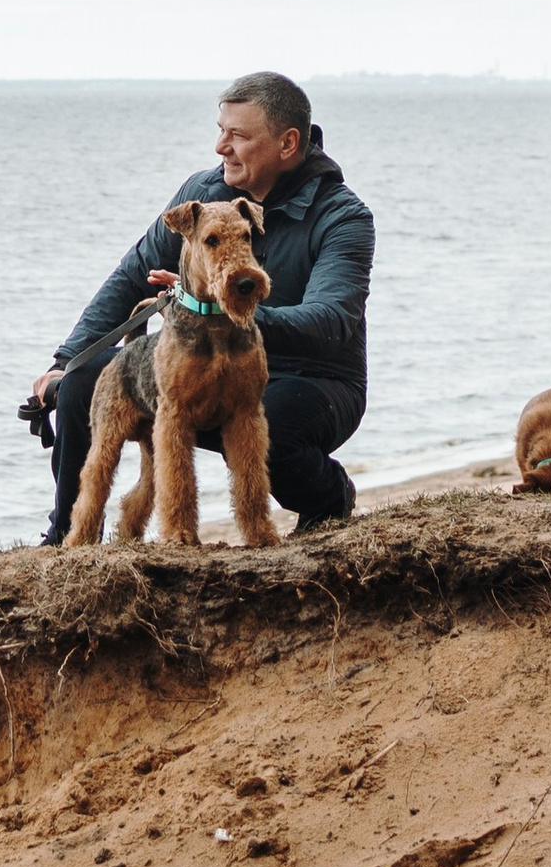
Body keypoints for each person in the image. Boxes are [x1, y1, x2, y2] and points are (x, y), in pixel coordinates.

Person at [31, 73, 373, 543]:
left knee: (272, 425)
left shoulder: (343, 217)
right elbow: (131, 276)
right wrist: (66, 360)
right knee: (82, 382)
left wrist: (220, 307)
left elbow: (330, 321)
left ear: (288, 143)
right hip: (198, 358)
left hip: (314, 377)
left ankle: (329, 497)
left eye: (238, 136)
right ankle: (67, 536)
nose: (220, 147)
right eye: (220, 130)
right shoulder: (202, 192)